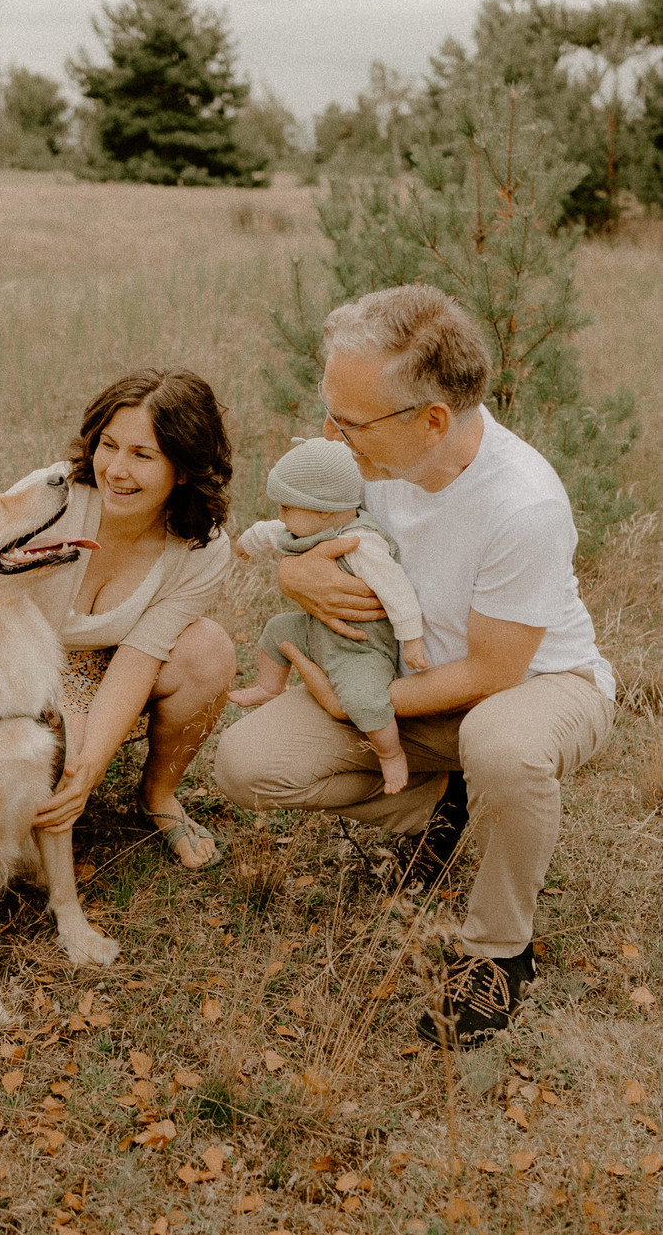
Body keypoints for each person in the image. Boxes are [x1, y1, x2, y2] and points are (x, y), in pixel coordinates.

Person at [215, 285, 615, 1047]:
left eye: (351, 421)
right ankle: (445, 811)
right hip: (411, 687)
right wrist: (292, 575)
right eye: (329, 410)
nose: (332, 434)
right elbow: (296, 533)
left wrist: (354, 702)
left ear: (434, 420)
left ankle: (499, 950)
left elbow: (495, 672)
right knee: (246, 764)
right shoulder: (362, 457)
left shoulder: (523, 502)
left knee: (500, 742)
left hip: (539, 686)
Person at [0, 369, 236, 870]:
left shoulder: (201, 550)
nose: (116, 470)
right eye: (109, 445)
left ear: (184, 469)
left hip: (113, 666)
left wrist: (90, 769)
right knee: (56, 762)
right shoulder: (53, 495)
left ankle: (158, 796)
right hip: (22, 667)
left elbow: (140, 656)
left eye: (142, 455)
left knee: (209, 649)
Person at [228, 437, 429, 794]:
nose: (281, 516)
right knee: (279, 630)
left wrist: (411, 640)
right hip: (318, 630)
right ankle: (267, 686)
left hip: (360, 646)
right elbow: (270, 532)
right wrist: (245, 545)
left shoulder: (363, 543)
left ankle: (390, 753)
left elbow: (398, 591)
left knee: (363, 697)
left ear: (322, 509)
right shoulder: (304, 528)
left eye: (287, 508)